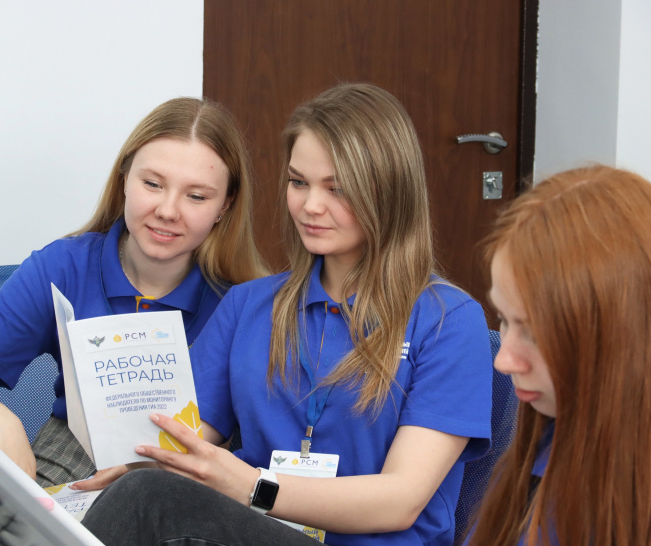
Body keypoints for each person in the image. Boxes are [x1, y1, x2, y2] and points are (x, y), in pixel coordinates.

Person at [81, 83, 493, 545]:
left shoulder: (449, 320)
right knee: (134, 491)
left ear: (389, 191)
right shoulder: (248, 305)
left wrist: (252, 485)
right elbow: (184, 439)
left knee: (146, 498)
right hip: (256, 531)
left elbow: (401, 500)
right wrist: (132, 465)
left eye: (337, 189)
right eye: (299, 182)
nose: (310, 206)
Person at [0, 96, 269, 487]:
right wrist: (2, 420)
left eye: (196, 196)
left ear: (225, 205)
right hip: (70, 459)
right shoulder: (65, 266)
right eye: (152, 184)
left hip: (179, 471)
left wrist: (142, 470)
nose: (168, 211)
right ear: (124, 179)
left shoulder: (246, 303)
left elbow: (217, 438)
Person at [465, 165, 651, 545]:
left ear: (625, 333)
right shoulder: (548, 437)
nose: (503, 362)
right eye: (503, 319)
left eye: (537, 334)